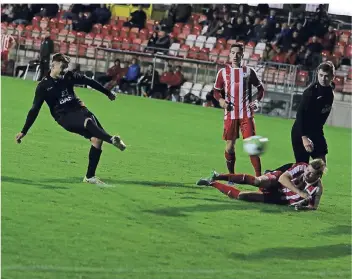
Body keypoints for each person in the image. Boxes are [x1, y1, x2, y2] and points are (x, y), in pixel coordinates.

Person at [15, 53, 127, 185]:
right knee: (88, 122)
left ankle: (89, 177)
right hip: (64, 116)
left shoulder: (68, 76)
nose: (65, 70)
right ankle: (111, 140)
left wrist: (107, 93)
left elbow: (88, 81)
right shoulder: (43, 86)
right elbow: (34, 109)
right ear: (53, 65)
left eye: (66, 67)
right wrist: (24, 131)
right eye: (63, 67)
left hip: (79, 109)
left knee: (97, 140)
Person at [213, 43, 265, 177]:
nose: (235, 56)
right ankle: (231, 176)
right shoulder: (223, 72)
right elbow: (216, 92)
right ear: (229, 54)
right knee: (230, 147)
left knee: (252, 147)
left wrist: (257, 102)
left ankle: (259, 178)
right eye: (233, 53)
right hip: (230, 114)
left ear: (242, 55)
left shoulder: (249, 71)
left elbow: (260, 89)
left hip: (246, 114)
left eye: (238, 53)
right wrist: (221, 101)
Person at [196, 159, 326, 211]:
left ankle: (211, 182)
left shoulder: (317, 189)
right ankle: (218, 175)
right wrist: (300, 193)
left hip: (280, 199)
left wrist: (302, 207)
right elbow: (282, 178)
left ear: (318, 176)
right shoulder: (302, 167)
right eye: (308, 171)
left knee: (242, 196)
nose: (307, 174)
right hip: (278, 180)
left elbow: (313, 207)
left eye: (311, 174)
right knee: (257, 181)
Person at [291, 61, 335, 164]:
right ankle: (276, 174)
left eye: (326, 76)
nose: (323, 79)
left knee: (321, 164)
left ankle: (315, 180)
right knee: (302, 168)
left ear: (332, 76)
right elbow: (300, 115)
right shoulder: (310, 92)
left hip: (316, 132)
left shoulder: (330, 93)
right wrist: (304, 137)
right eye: (321, 75)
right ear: (317, 74)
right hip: (301, 132)